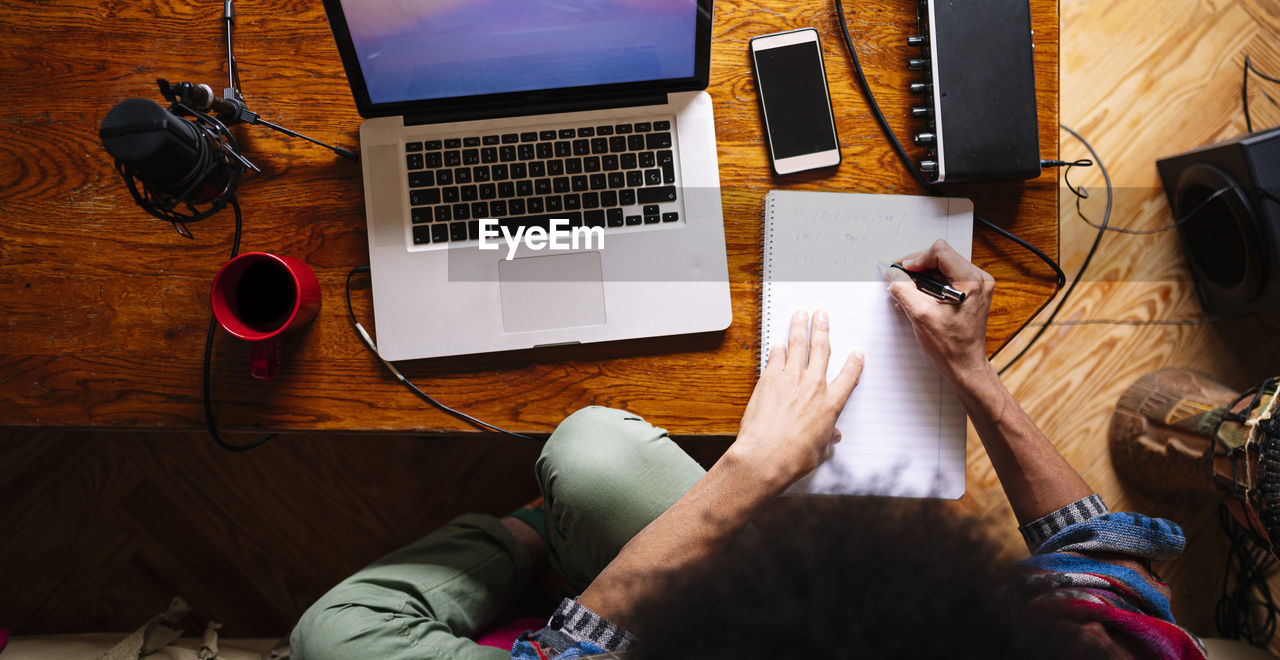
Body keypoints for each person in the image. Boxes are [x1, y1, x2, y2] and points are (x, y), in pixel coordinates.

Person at [290, 240, 1207, 659]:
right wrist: (977, 377)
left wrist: (754, 472)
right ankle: (552, 534)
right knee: (597, 455)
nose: (1088, 626)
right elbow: (1103, 568)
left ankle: (535, 542)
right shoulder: (1114, 644)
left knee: (333, 638)